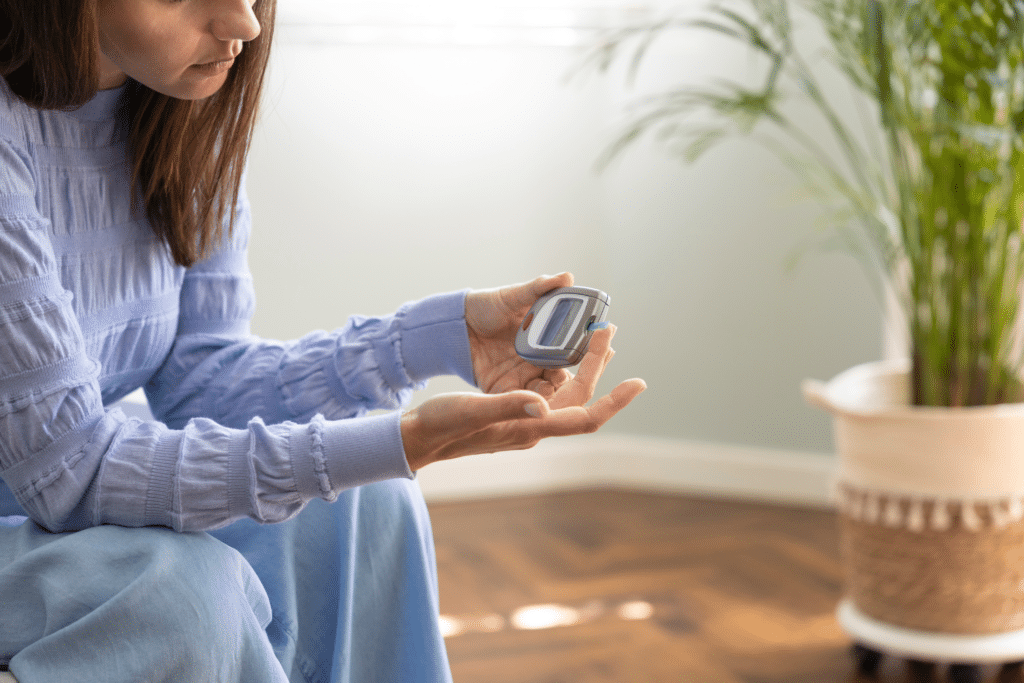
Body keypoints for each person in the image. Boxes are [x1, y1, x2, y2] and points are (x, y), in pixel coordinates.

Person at [0, 0, 647, 681]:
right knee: (184, 593)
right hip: (45, 488)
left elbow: (202, 382)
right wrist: (405, 441)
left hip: (52, 483)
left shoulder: (178, 111)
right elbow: (70, 473)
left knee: (369, 503)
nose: (243, 24)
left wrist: (438, 339)